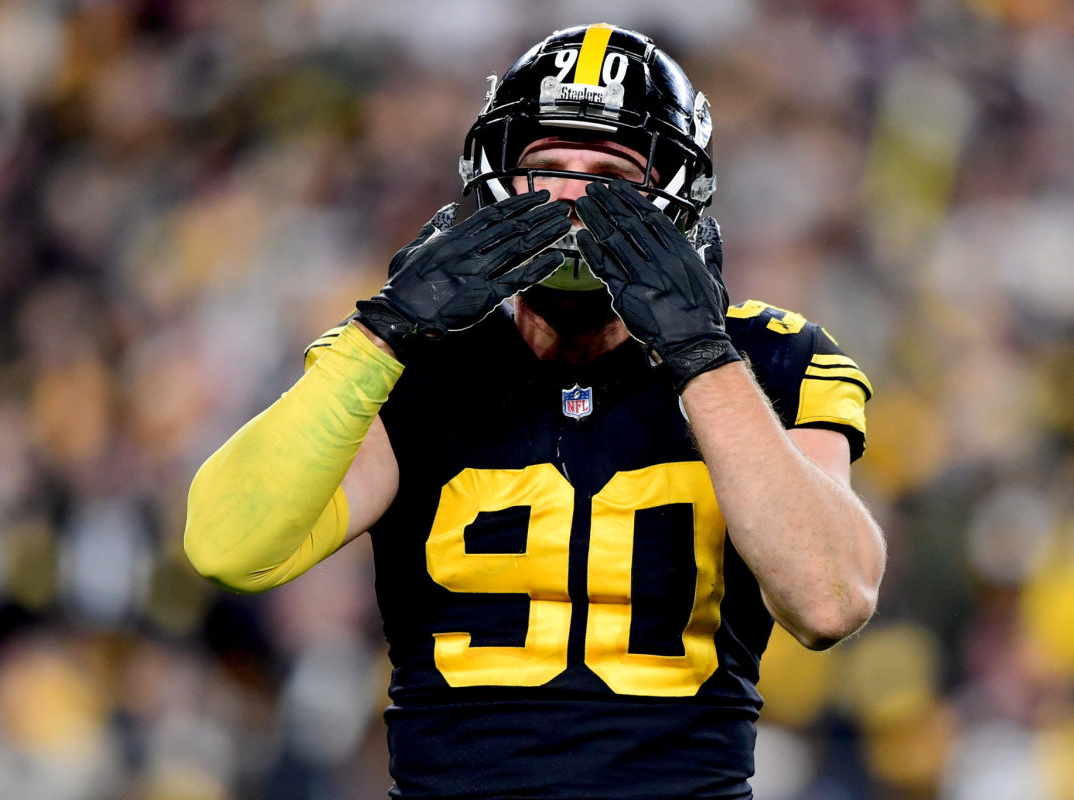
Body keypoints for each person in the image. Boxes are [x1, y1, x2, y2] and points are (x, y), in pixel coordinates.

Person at [184, 23, 885, 800]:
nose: (573, 197)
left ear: (675, 191)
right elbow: (229, 546)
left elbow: (831, 600)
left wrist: (701, 355)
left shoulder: (771, 356)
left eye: (610, 172)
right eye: (546, 168)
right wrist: (379, 333)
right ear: (494, 178)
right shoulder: (404, 359)